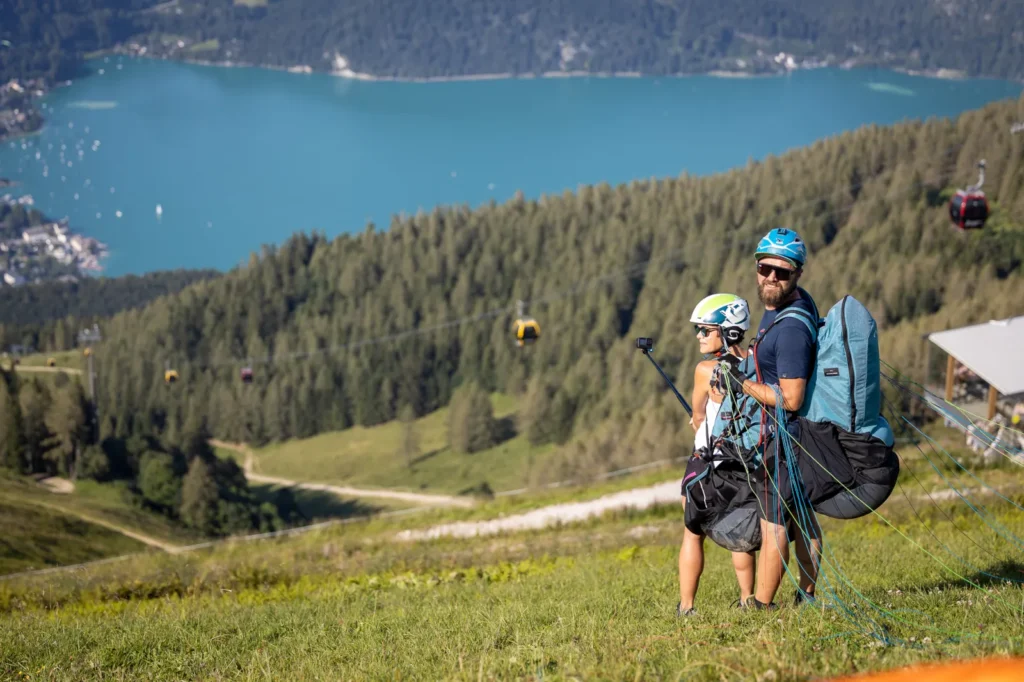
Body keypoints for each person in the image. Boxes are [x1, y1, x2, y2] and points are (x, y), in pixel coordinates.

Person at [714, 227, 822, 609]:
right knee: (801, 520)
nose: (771, 278)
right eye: (765, 269)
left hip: (786, 437)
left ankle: (760, 605)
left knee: (774, 523)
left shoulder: (790, 326)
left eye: (782, 272)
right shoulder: (779, 310)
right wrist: (741, 362)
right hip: (789, 437)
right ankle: (806, 597)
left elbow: (790, 398)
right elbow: (772, 370)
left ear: (798, 274)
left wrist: (741, 383)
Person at [677, 294, 756, 615]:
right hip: (744, 463)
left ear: (729, 331)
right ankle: (749, 597)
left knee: (692, 533)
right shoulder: (756, 362)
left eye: (705, 330)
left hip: (706, 463)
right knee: (741, 530)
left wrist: (697, 419)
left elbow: (697, 414)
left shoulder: (706, 369)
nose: (698, 335)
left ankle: (687, 606)